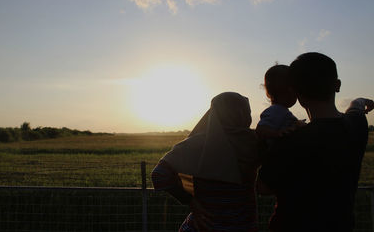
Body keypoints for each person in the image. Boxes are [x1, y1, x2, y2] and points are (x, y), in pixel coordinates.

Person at [257, 52, 374, 232]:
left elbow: (263, 187)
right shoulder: (357, 125)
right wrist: (360, 101)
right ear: (337, 85)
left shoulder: (288, 138)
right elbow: (355, 108)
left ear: (295, 91)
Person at [151, 92, 261, 232]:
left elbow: (159, 174)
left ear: (213, 113)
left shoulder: (195, 144)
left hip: (202, 226)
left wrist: (190, 201)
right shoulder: (256, 143)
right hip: (242, 225)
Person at [256, 64, 303, 141]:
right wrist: (277, 134)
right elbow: (261, 129)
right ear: (290, 91)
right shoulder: (276, 110)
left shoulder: (280, 111)